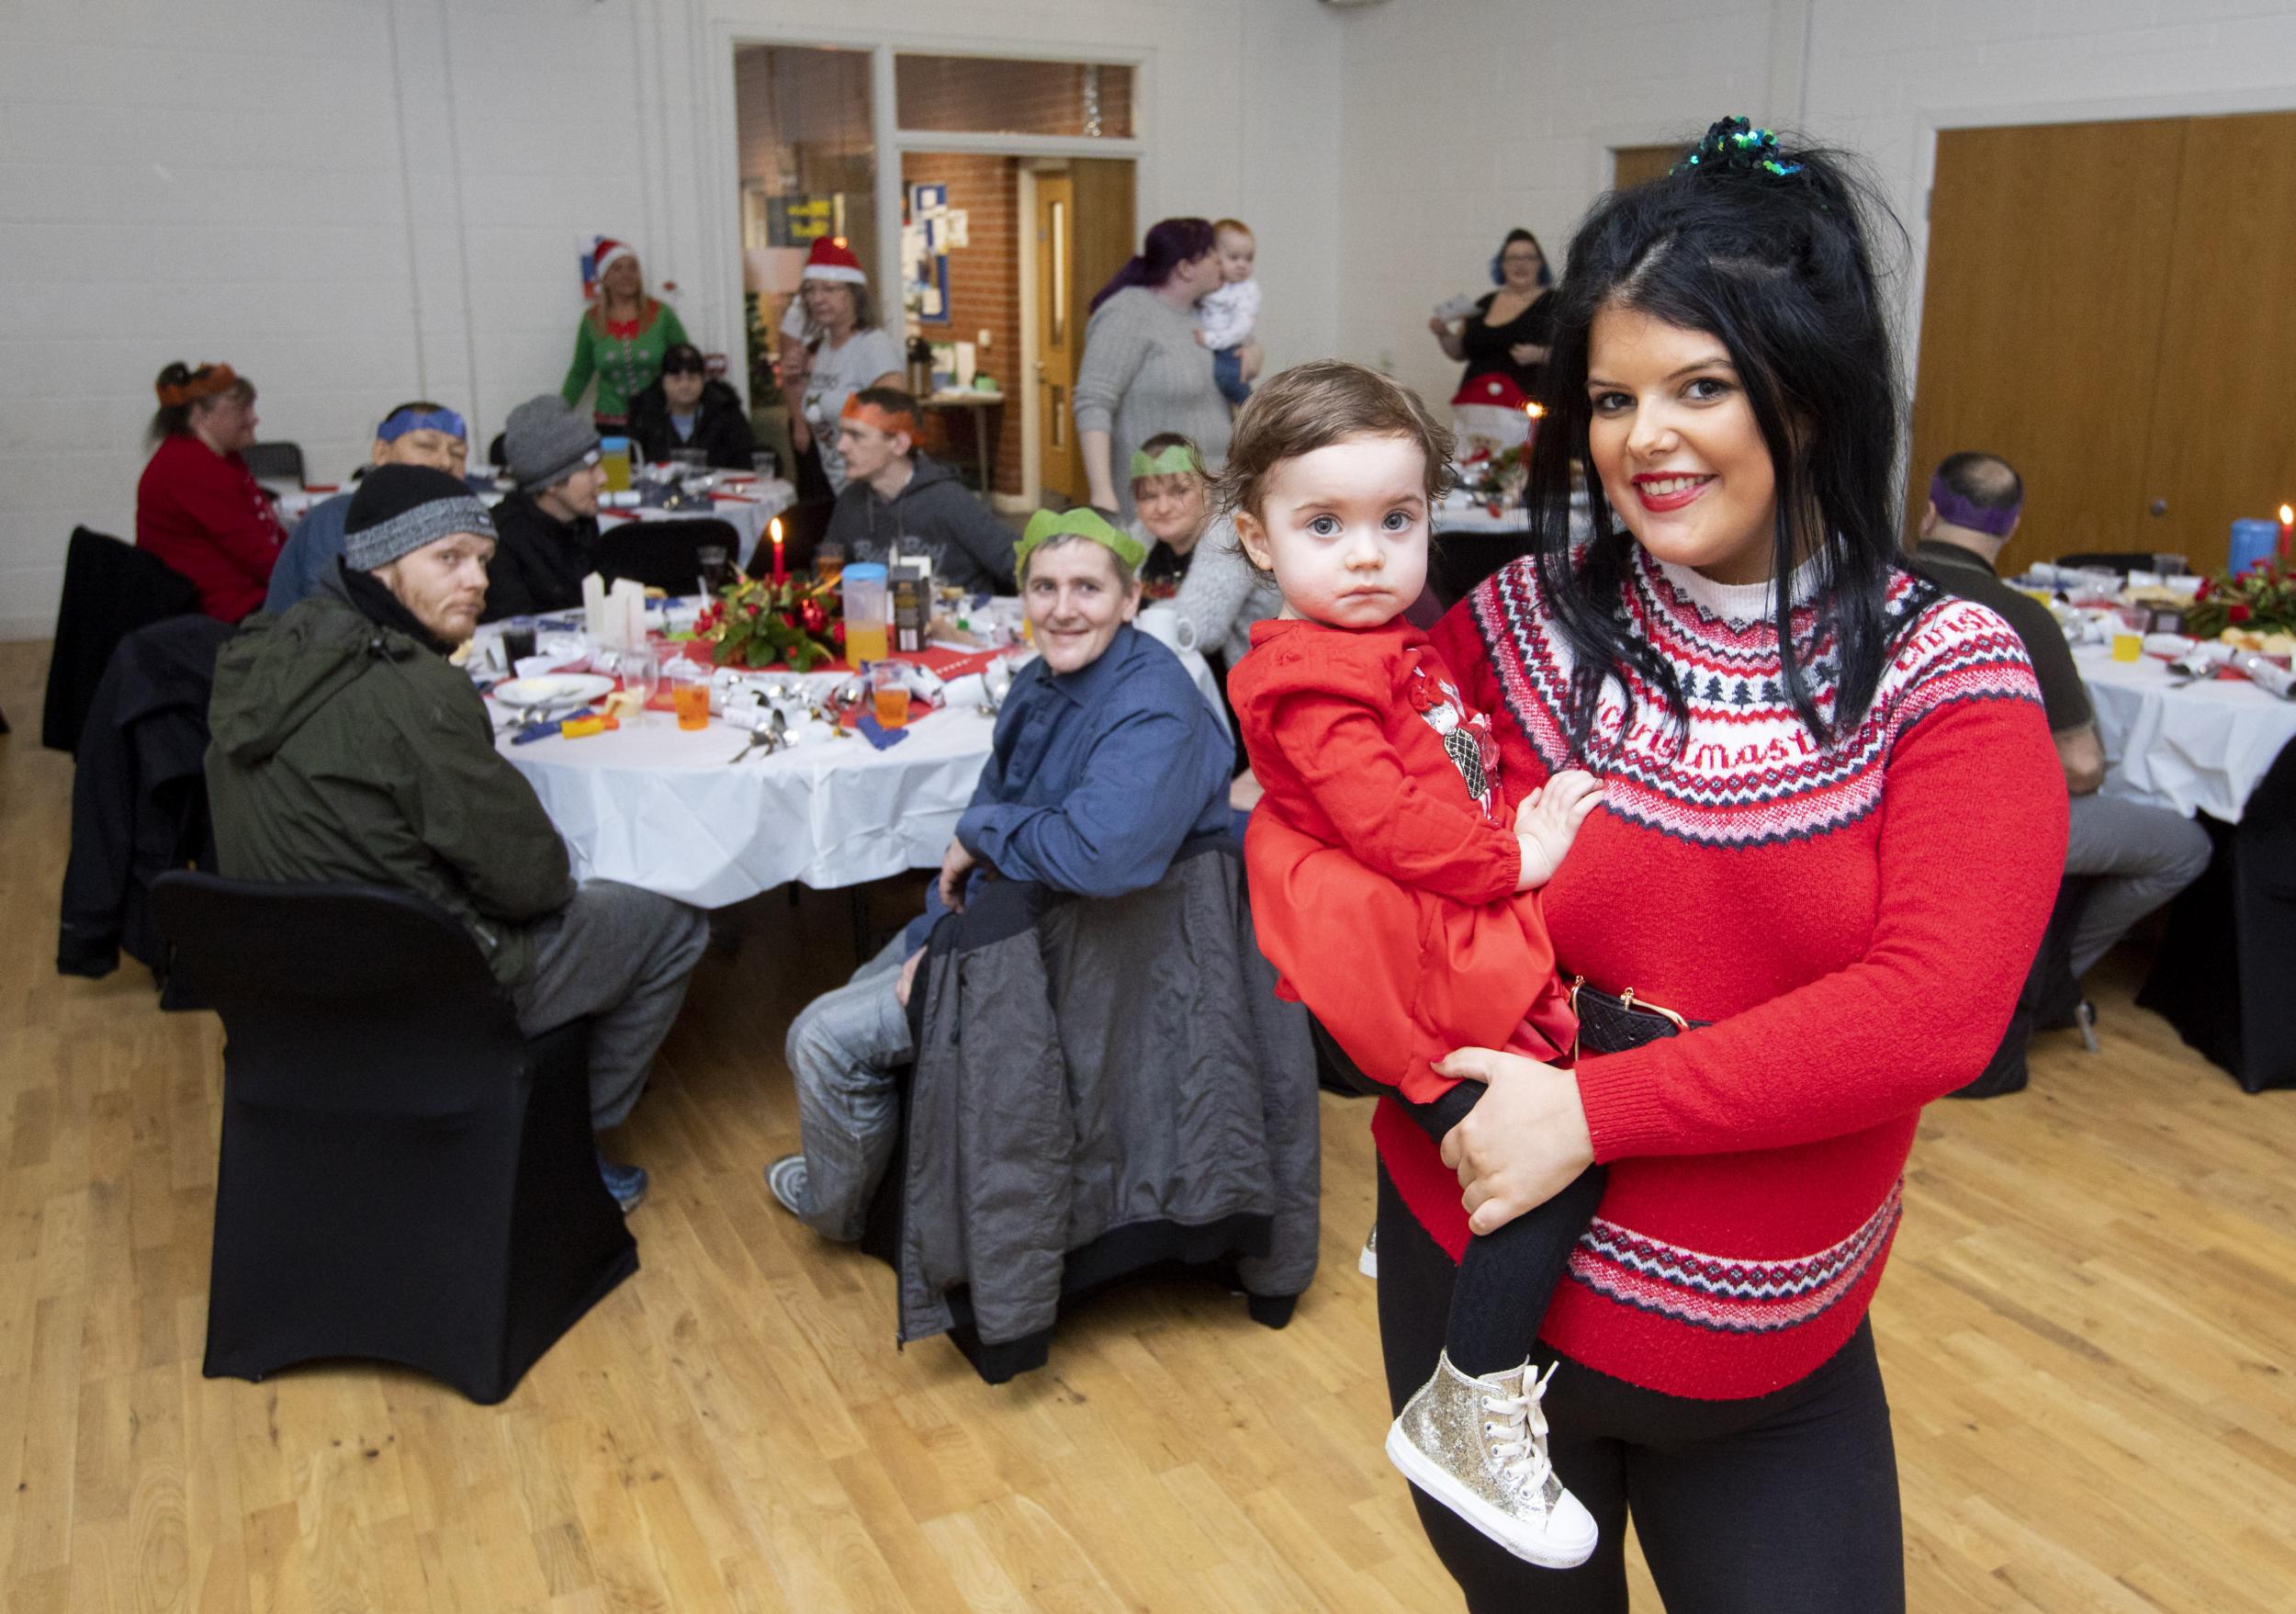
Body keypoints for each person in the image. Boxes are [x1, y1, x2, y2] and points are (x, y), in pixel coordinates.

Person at [1374, 119, 2065, 1609]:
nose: (1645, 438)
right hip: (1482, 1320)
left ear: (1811, 393)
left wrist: (1592, 1109)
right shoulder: (1513, 629)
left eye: (1699, 385)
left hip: (1770, 1363)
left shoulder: (1947, 671)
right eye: (1613, 397)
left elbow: (1934, 1009)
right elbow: (1370, 878)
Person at [1225, 359, 1609, 1567]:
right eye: (1323, 526)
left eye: (1397, 521)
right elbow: (1394, 823)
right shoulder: (1309, 679)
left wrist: (1512, 776)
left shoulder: (1399, 643)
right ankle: (1472, 1390)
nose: (1365, 554)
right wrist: (1521, 850)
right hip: (1423, 954)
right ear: (1256, 539)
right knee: (1559, 1137)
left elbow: (1462, 739)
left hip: (1437, 929)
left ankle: (1426, 1212)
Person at [205, 465, 708, 1211]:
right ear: (379, 562)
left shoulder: (256, 656)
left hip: (287, 996)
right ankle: (560, 1148)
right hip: (419, 990)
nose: (475, 580)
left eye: (481, 559)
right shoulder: (413, 690)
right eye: (448, 558)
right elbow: (536, 880)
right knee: (673, 920)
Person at [763, 507, 1233, 1240]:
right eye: (1044, 588)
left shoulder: (1152, 705)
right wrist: (946, 929)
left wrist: (969, 880)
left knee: (819, 1039)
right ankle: (905, 1179)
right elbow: (996, 805)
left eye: (1087, 587)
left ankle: (837, 1210)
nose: (1063, 608)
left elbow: (1097, 854)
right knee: (859, 985)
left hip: (1085, 960)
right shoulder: (1038, 681)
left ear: (1131, 598)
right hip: (1012, 923)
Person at [1910, 452, 2212, 981]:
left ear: (1929, 513)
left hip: (1871, 807)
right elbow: (2081, 767)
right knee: (2186, 847)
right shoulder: (2023, 619)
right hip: (1978, 825)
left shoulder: (1867, 584)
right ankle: (2051, 979)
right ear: (2013, 526)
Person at [1074, 218, 1238, 525]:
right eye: (1213, 254)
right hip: (1158, 501)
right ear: (1186, 268)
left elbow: (1237, 368)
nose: (1222, 263)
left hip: (1211, 493)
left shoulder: (1204, 315)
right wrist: (1102, 493)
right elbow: (1093, 401)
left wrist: (1254, 354)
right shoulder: (1127, 313)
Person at [264, 403, 471, 613]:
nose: (445, 462)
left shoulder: (454, 525)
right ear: (381, 452)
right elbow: (335, 620)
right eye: (426, 446)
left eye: (458, 454)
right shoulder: (335, 521)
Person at [820, 389, 1017, 593]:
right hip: (880, 620)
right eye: (842, 433)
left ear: (899, 444)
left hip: (956, 619)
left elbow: (1014, 561)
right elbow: (827, 570)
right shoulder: (850, 501)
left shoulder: (949, 500)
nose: (841, 446)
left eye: (856, 435)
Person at [136, 362, 287, 622]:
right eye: (241, 410)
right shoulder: (189, 467)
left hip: (240, 597)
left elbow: (264, 536)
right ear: (200, 416)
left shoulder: (220, 458)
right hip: (224, 611)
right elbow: (256, 554)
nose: (253, 418)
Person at [785, 238, 905, 493]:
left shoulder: (873, 345)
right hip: (839, 487)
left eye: (828, 289)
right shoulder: (824, 347)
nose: (817, 299)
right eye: (810, 290)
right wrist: (797, 380)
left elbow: (896, 420)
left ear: (853, 294)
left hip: (876, 489)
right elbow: (820, 407)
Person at [483, 397, 604, 623]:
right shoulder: (501, 540)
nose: (603, 478)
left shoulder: (581, 521)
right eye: (590, 470)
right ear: (551, 482)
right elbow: (513, 629)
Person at [561, 239, 690, 430]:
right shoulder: (592, 320)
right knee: (615, 462)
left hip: (658, 421)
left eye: (632, 268)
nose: (627, 275)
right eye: (617, 269)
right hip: (610, 426)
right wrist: (556, 414)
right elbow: (579, 374)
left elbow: (686, 363)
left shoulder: (662, 314)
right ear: (604, 278)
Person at [1430, 230, 1556, 401]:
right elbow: (1461, 352)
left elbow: (1575, 356)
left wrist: (1540, 354)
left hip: (1525, 407)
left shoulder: (1555, 303)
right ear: (1502, 265)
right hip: (1473, 403)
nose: (1520, 264)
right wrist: (1443, 334)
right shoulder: (1484, 303)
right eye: (1512, 258)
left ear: (1540, 264)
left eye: (1528, 257)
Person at [627, 342, 759, 469]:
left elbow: (745, 464)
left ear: (703, 380)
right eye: (676, 379)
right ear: (663, 382)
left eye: (692, 378)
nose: (685, 386)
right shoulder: (643, 414)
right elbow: (632, 463)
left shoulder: (726, 412)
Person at [1196, 218, 1263, 408]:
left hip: (1227, 347)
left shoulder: (1246, 290)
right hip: (1207, 343)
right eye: (1234, 257)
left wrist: (1211, 339)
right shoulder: (1210, 284)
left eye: (1248, 258)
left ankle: (1250, 406)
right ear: (1213, 256)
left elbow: (1242, 328)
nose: (1242, 265)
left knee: (1228, 377)